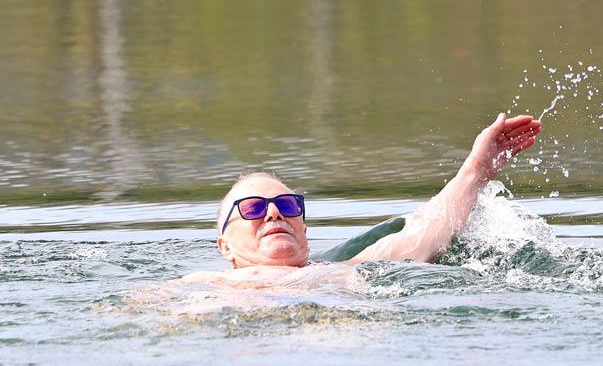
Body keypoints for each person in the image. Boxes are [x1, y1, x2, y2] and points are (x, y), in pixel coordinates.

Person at [190, 113, 541, 284]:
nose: (273, 214)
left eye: (286, 205)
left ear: (304, 230)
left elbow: (426, 232)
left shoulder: (344, 271)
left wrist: (475, 169)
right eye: (252, 208)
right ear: (225, 247)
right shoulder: (208, 287)